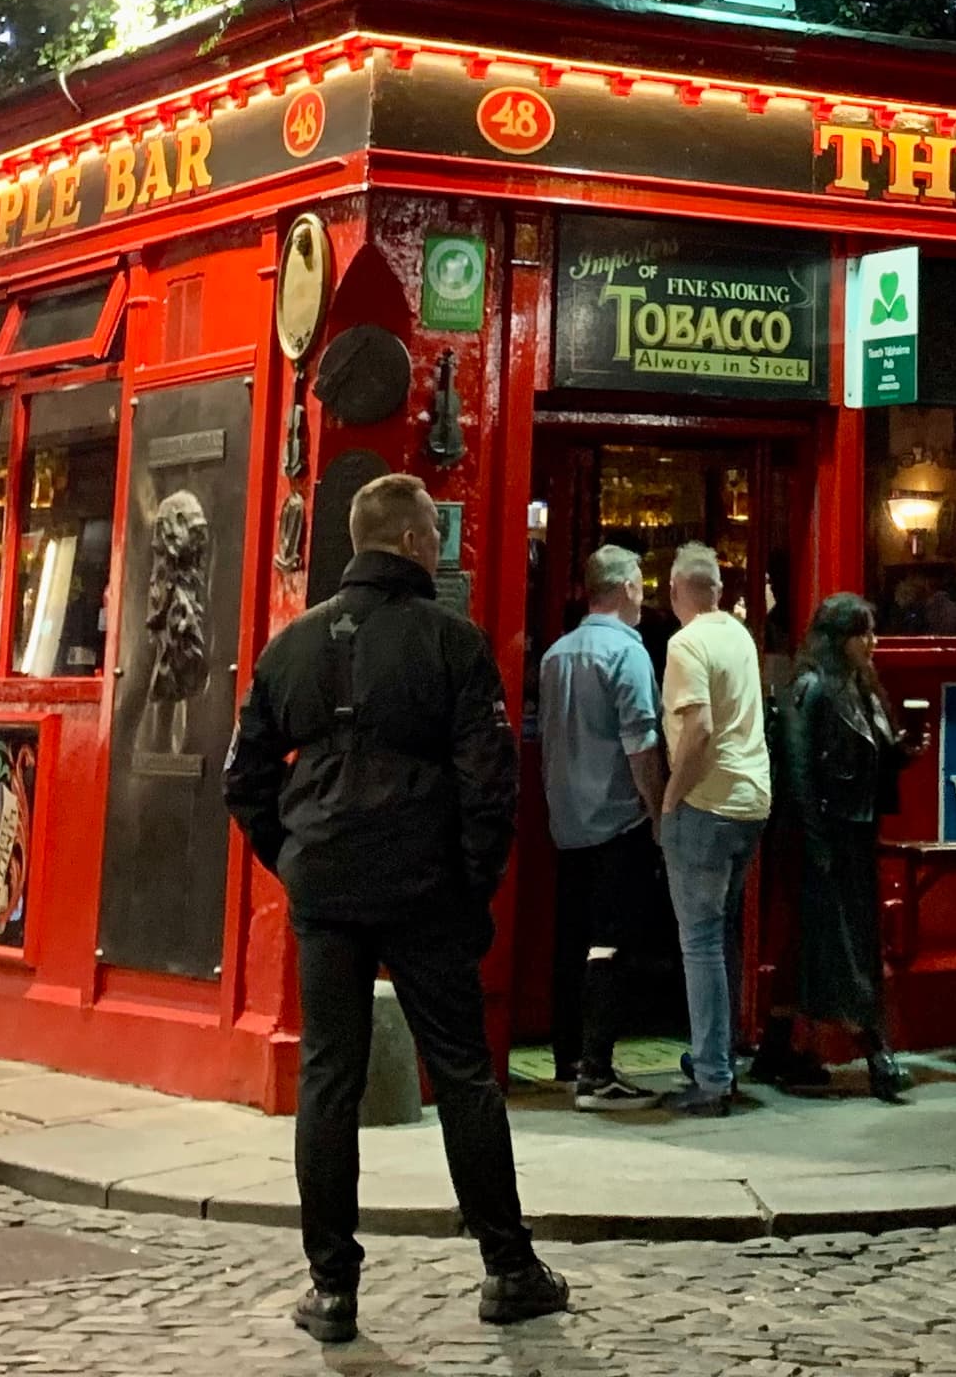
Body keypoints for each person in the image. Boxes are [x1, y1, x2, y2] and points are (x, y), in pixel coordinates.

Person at [224, 472, 566, 1344]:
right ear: (415, 542)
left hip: (327, 891)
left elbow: (245, 780)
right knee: (461, 1075)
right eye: (434, 537)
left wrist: (294, 859)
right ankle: (509, 1268)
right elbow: (491, 786)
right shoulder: (453, 644)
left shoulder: (288, 648)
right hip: (426, 891)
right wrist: (470, 882)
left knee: (327, 1081)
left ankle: (332, 1290)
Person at [534, 544, 670, 1112]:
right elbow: (641, 743)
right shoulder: (628, 655)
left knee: (573, 942)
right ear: (627, 588)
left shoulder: (555, 656)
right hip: (618, 821)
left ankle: (568, 1059)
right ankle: (598, 1071)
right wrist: (659, 816)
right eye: (640, 583)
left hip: (566, 821)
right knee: (612, 945)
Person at [655, 538, 774, 1119]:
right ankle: (718, 1052)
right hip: (751, 802)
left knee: (698, 942)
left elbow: (696, 730)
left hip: (706, 803)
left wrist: (670, 800)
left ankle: (711, 1077)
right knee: (722, 936)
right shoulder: (738, 636)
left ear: (676, 589)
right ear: (719, 590)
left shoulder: (686, 644)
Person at [781, 592, 916, 1100]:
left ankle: (795, 1046)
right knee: (841, 949)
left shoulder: (862, 690)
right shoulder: (813, 688)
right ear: (840, 639)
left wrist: (903, 753)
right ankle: (875, 1048)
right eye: (863, 634)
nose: (872, 643)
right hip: (829, 836)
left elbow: (876, 753)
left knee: (845, 946)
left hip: (858, 835)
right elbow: (799, 771)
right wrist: (815, 844)